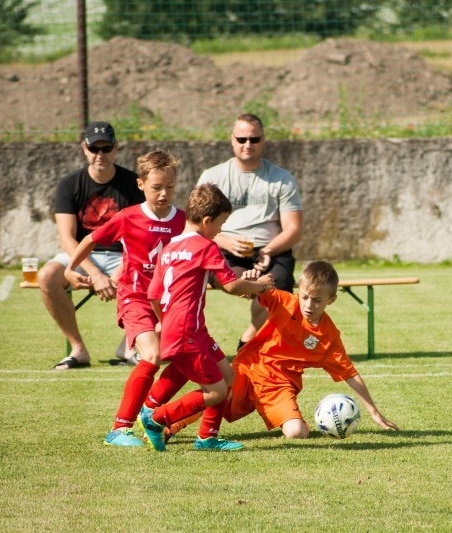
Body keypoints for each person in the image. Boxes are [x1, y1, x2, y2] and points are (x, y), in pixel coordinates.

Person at [165, 260, 397, 442]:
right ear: (299, 291)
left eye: (317, 300)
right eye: (305, 297)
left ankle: (306, 422)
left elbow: (350, 374)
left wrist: (374, 411)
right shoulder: (285, 302)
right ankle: (167, 423)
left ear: (331, 300)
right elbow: (255, 290)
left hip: (279, 387)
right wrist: (250, 282)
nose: (308, 305)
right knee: (216, 394)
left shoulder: (329, 337)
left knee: (296, 432)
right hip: (249, 369)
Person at [139, 183, 275, 452]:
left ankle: (208, 438)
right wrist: (261, 286)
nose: (221, 231)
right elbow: (231, 286)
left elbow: (153, 294)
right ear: (206, 221)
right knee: (216, 391)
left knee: (227, 377)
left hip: (187, 329)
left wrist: (164, 321)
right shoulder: (205, 246)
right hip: (188, 331)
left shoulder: (169, 248)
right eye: (221, 224)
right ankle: (156, 419)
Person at [64, 150, 186, 447]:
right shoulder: (128, 217)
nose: (164, 193)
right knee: (152, 355)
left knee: (187, 360)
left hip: (168, 303)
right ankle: (119, 429)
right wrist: (70, 269)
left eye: (169, 187)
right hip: (135, 298)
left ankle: (150, 411)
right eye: (157, 187)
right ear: (141, 184)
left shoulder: (182, 220)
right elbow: (91, 239)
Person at [39, 121, 145, 370]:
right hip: (84, 254)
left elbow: (139, 237)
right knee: (47, 276)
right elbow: (67, 238)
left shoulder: (132, 183)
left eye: (106, 148)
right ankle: (78, 349)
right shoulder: (70, 184)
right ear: (84, 149)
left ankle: (129, 346)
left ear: (115, 148)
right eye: (94, 148)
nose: (100, 155)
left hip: (125, 256)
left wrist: (119, 273)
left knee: (161, 275)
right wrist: (96, 274)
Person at [197, 113, 303, 353]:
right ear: (232, 140)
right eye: (242, 138)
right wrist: (225, 240)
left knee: (275, 287)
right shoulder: (212, 177)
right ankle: (192, 344)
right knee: (238, 282)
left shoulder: (282, 179)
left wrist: (268, 250)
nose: (248, 144)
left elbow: (294, 229)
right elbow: (196, 225)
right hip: (224, 249)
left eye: (254, 139)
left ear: (263, 140)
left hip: (272, 249)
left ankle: (249, 338)